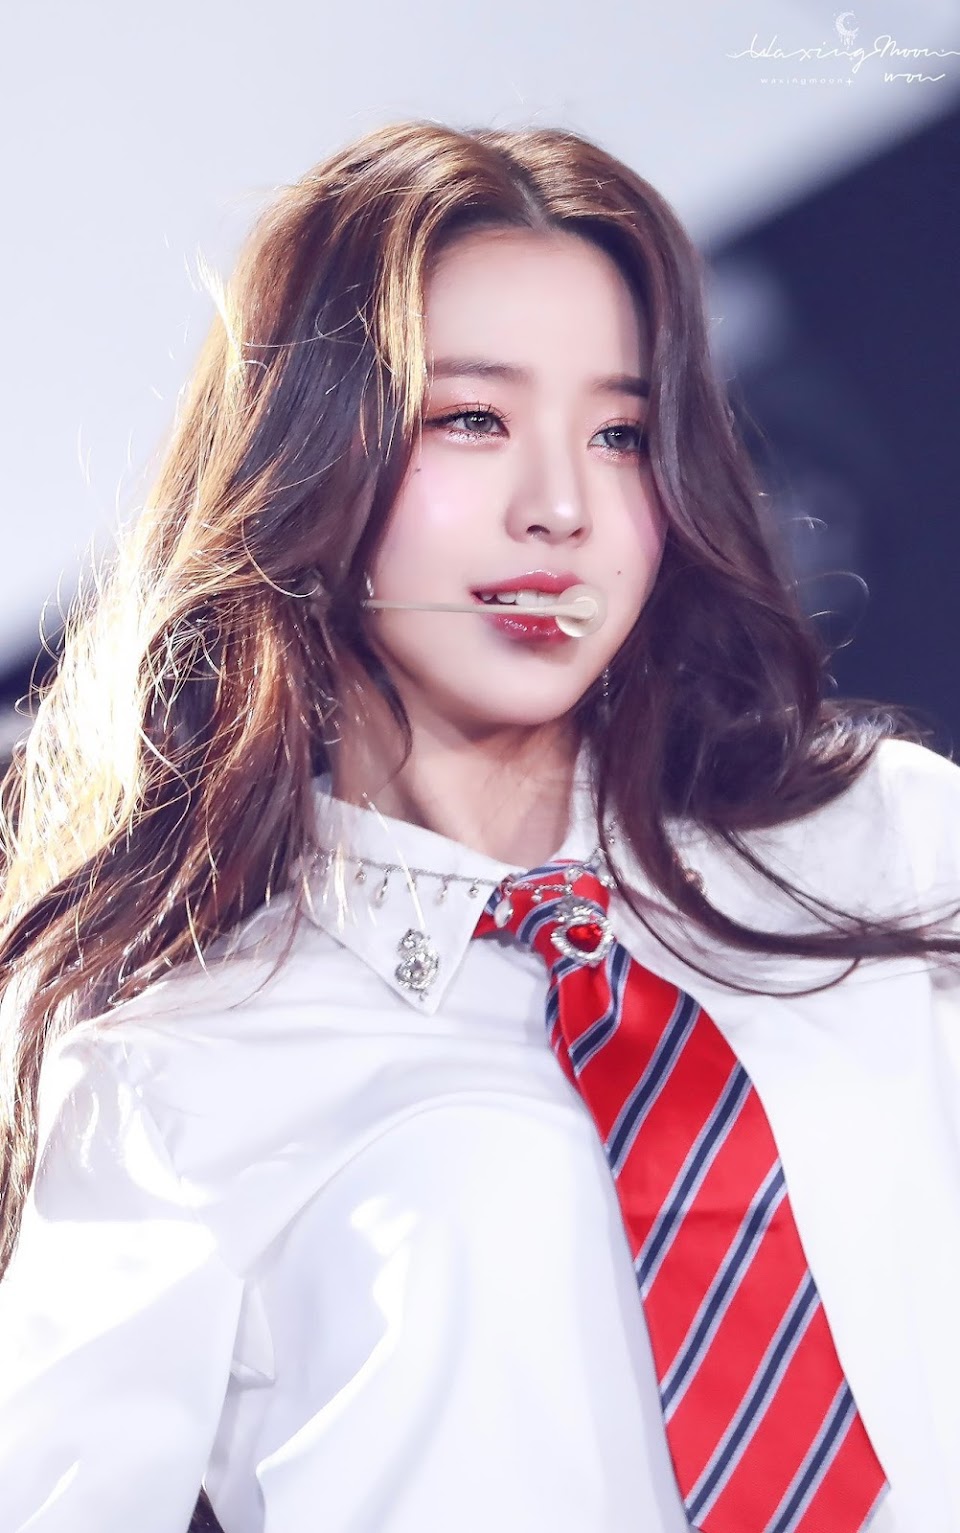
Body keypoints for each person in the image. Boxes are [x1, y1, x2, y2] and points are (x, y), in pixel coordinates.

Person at [0, 117, 958, 1533]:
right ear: (310, 453)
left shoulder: (885, 844)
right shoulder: (168, 1060)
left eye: (619, 434)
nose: (561, 507)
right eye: (473, 420)